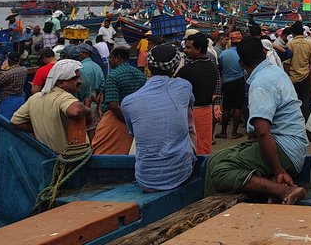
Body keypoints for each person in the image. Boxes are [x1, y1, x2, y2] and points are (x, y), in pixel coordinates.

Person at [205, 36, 307, 204]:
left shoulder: (261, 84)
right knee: (215, 159)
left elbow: (262, 131)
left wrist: (279, 172)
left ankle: (285, 190)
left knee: (219, 170)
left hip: (286, 149)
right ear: (264, 54)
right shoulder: (274, 71)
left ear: (241, 63)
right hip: (291, 144)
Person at [122, 44, 197, 192]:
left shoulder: (128, 102)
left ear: (148, 65)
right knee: (188, 118)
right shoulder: (184, 87)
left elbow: (132, 133)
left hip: (146, 180)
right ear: (175, 68)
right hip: (183, 173)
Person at [11, 59, 92, 153]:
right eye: (74, 78)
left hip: (48, 157)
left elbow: (16, 122)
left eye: (79, 77)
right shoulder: (63, 97)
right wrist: (88, 111)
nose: (80, 81)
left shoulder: (35, 98)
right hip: (68, 159)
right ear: (60, 83)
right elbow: (76, 111)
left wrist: (39, 130)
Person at [91, 45, 146, 155]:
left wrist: (127, 122)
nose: (109, 61)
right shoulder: (140, 75)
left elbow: (114, 105)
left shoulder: (113, 76)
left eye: (111, 58)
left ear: (118, 58)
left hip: (116, 119)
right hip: (137, 117)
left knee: (102, 151)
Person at [177, 33, 220, 155]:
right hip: (207, 110)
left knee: (191, 145)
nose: (185, 50)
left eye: (189, 47)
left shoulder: (187, 70)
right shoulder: (212, 66)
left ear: (199, 49)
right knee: (204, 145)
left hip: (192, 112)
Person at [217, 32, 246, 139]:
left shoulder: (224, 53)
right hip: (239, 81)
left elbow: (220, 68)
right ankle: (234, 133)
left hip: (227, 82)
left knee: (226, 108)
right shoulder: (242, 53)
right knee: (238, 107)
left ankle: (223, 132)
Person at [285, 21, 311, 119]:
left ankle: (293, 122)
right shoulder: (309, 44)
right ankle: (304, 122)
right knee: (305, 102)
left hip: (292, 78)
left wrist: (285, 78)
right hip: (305, 76)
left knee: (292, 102)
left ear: (293, 33)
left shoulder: (290, 44)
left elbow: (287, 63)